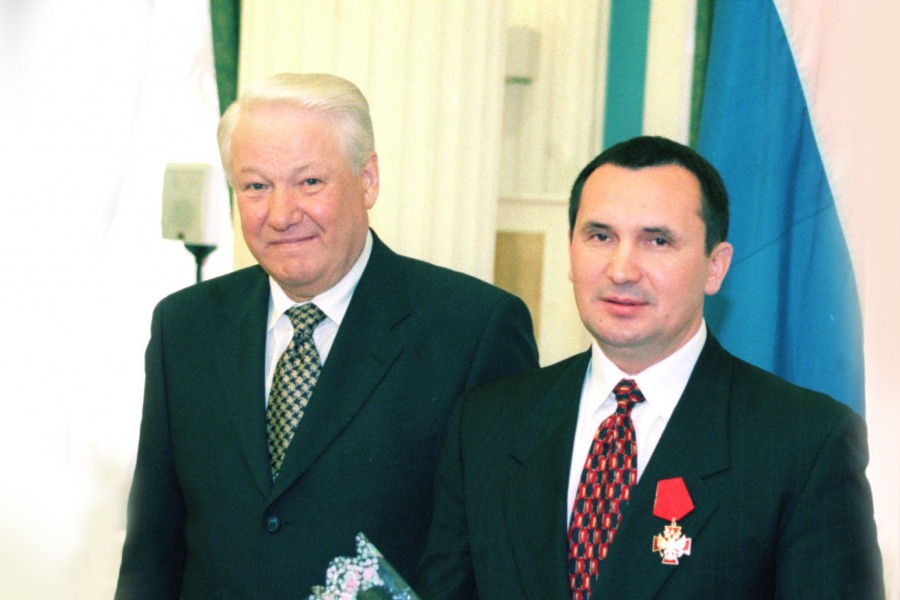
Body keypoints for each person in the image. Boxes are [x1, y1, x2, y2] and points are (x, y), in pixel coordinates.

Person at [114, 73, 539, 599]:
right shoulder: (185, 327)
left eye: (310, 182)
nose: (281, 214)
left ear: (368, 180)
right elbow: (152, 547)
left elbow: (497, 556)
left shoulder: (472, 330)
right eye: (256, 187)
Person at [414, 136, 884, 599]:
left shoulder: (805, 443)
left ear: (715, 267)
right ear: (571, 251)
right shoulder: (486, 426)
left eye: (657, 241)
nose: (621, 270)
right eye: (600, 237)